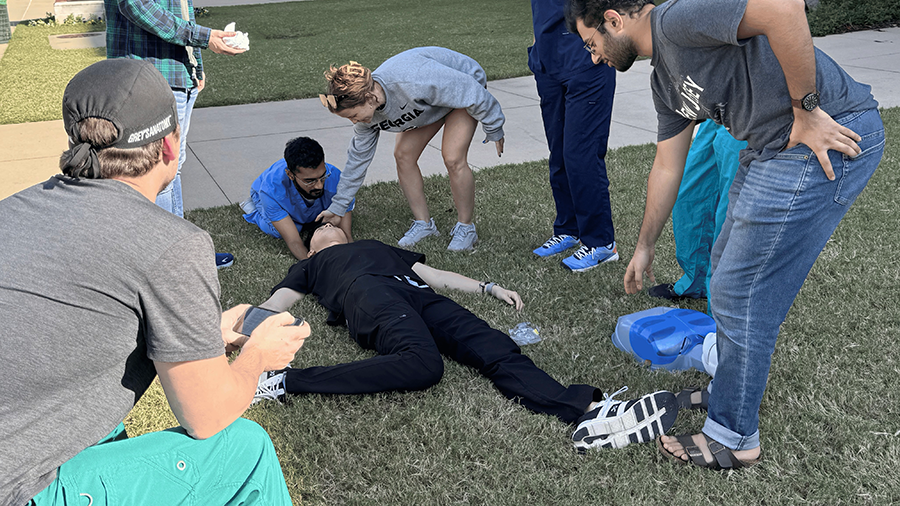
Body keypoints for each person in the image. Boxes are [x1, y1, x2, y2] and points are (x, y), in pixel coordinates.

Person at [565, 0, 883, 469]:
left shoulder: (678, 18)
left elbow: (786, 11)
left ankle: (736, 436)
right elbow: (667, 165)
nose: (594, 56)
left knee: (741, 290)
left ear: (613, 20)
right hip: (771, 149)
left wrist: (806, 110)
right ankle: (730, 388)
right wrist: (646, 245)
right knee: (724, 271)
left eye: (591, 42)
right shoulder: (664, 82)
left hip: (827, 134)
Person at [0, 59, 311, 505]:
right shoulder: (171, 243)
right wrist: (257, 357)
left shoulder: (13, 210)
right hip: (20, 488)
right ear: (170, 145)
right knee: (244, 448)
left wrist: (204, 334)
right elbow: (205, 417)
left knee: (108, 428)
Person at [251, 223, 680, 451]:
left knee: (496, 347)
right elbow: (276, 303)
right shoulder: (311, 265)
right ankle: (286, 381)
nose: (329, 224)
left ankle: (587, 409)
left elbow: (433, 276)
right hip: (370, 296)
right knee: (423, 364)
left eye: (336, 225)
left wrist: (489, 288)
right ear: (312, 249)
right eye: (322, 229)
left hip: (418, 295)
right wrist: (239, 337)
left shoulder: (376, 244)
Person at [652, 0, 803, 303]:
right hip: (717, 109)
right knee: (692, 197)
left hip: (747, 109)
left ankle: (722, 302)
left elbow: (757, 35)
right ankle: (693, 281)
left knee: (729, 214)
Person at [102, 0, 245, 267]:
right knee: (154, 172)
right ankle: (166, 263)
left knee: (172, 168)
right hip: (147, 75)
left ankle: (180, 257)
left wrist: (194, 63)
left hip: (175, 71)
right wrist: (203, 37)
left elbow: (173, 5)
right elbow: (134, 2)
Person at [517, 0, 620, 272]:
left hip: (587, 66)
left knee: (582, 155)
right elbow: (540, 2)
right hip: (548, 66)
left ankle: (600, 241)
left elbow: (620, 3)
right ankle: (569, 228)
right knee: (559, 154)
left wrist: (602, 47)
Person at [317, 47, 505, 252]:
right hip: (430, 103)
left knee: (453, 157)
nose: (354, 121)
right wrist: (338, 207)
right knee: (403, 155)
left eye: (353, 115)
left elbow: (470, 90)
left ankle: (466, 228)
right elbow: (357, 161)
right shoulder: (366, 118)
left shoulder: (413, 80)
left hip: (463, 86)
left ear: (370, 98)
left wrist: (493, 126)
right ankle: (424, 224)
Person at [242, 136, 354, 260]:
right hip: (260, 194)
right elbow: (294, 241)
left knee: (326, 219)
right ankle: (253, 210)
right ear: (290, 175)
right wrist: (313, 268)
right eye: (310, 181)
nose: (319, 185)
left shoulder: (336, 177)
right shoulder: (270, 191)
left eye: (322, 176)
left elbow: (346, 234)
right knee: (283, 230)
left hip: (300, 197)